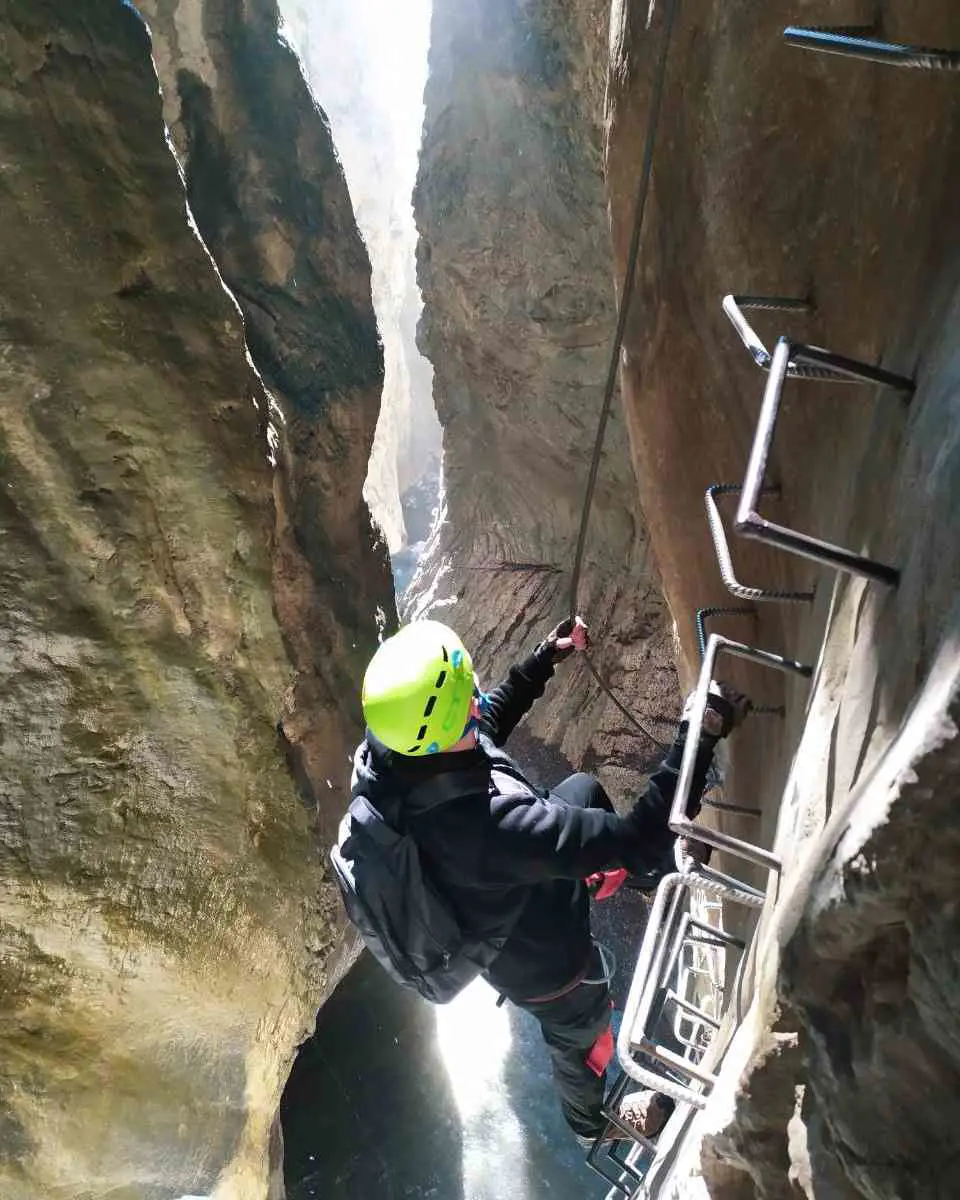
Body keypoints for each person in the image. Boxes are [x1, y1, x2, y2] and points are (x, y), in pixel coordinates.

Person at [351, 616, 748, 1147]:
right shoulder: (492, 831)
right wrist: (699, 734)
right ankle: (592, 1124)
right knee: (584, 1031)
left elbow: (485, 723)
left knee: (583, 791)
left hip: (502, 889)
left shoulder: (396, 755)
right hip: (543, 962)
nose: (477, 702)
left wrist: (545, 658)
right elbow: (639, 836)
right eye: (468, 699)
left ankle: (639, 877)